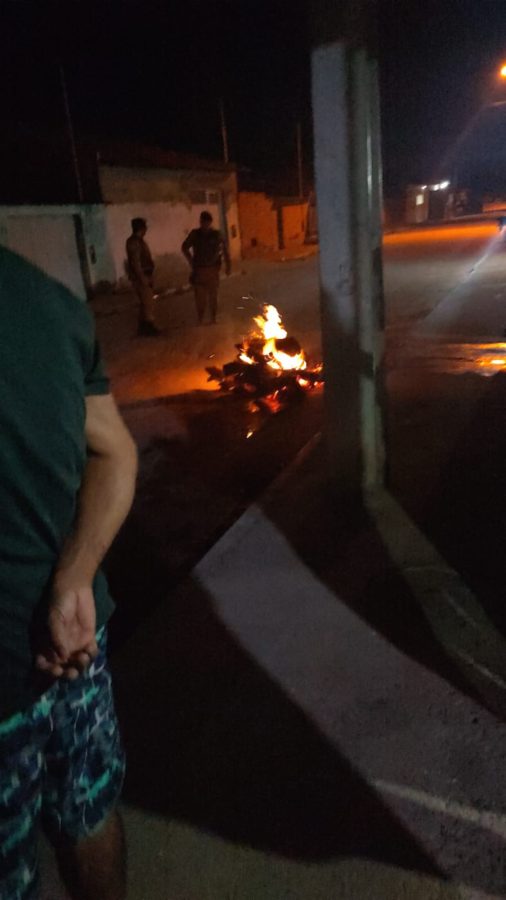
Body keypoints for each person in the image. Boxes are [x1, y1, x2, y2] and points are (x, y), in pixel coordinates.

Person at [0, 246, 138, 900]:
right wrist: (74, 579)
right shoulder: (50, 301)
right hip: (75, 639)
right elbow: (115, 452)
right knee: (88, 808)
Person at [181, 210, 231, 324]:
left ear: (210, 222)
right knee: (200, 297)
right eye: (203, 222)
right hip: (199, 270)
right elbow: (184, 247)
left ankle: (213, 318)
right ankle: (200, 319)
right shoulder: (195, 234)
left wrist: (228, 266)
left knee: (213, 296)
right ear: (201, 222)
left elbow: (225, 250)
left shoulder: (216, 234)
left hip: (212, 270)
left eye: (207, 223)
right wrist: (191, 262)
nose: (205, 225)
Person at [126, 218, 159, 336]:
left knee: (145, 303)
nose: (146, 229)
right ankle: (149, 327)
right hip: (141, 276)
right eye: (145, 227)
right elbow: (136, 262)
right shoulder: (134, 242)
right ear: (141, 228)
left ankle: (143, 328)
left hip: (144, 274)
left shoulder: (137, 241)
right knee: (148, 302)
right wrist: (142, 277)